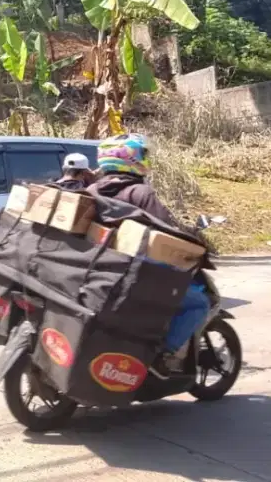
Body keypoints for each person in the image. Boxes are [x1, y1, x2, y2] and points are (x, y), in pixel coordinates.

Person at [90, 133, 210, 378]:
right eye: (142, 154)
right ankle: (162, 355)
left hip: (97, 271)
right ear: (131, 159)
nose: (145, 158)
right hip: (135, 274)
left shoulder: (90, 190)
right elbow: (168, 229)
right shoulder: (140, 192)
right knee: (198, 303)